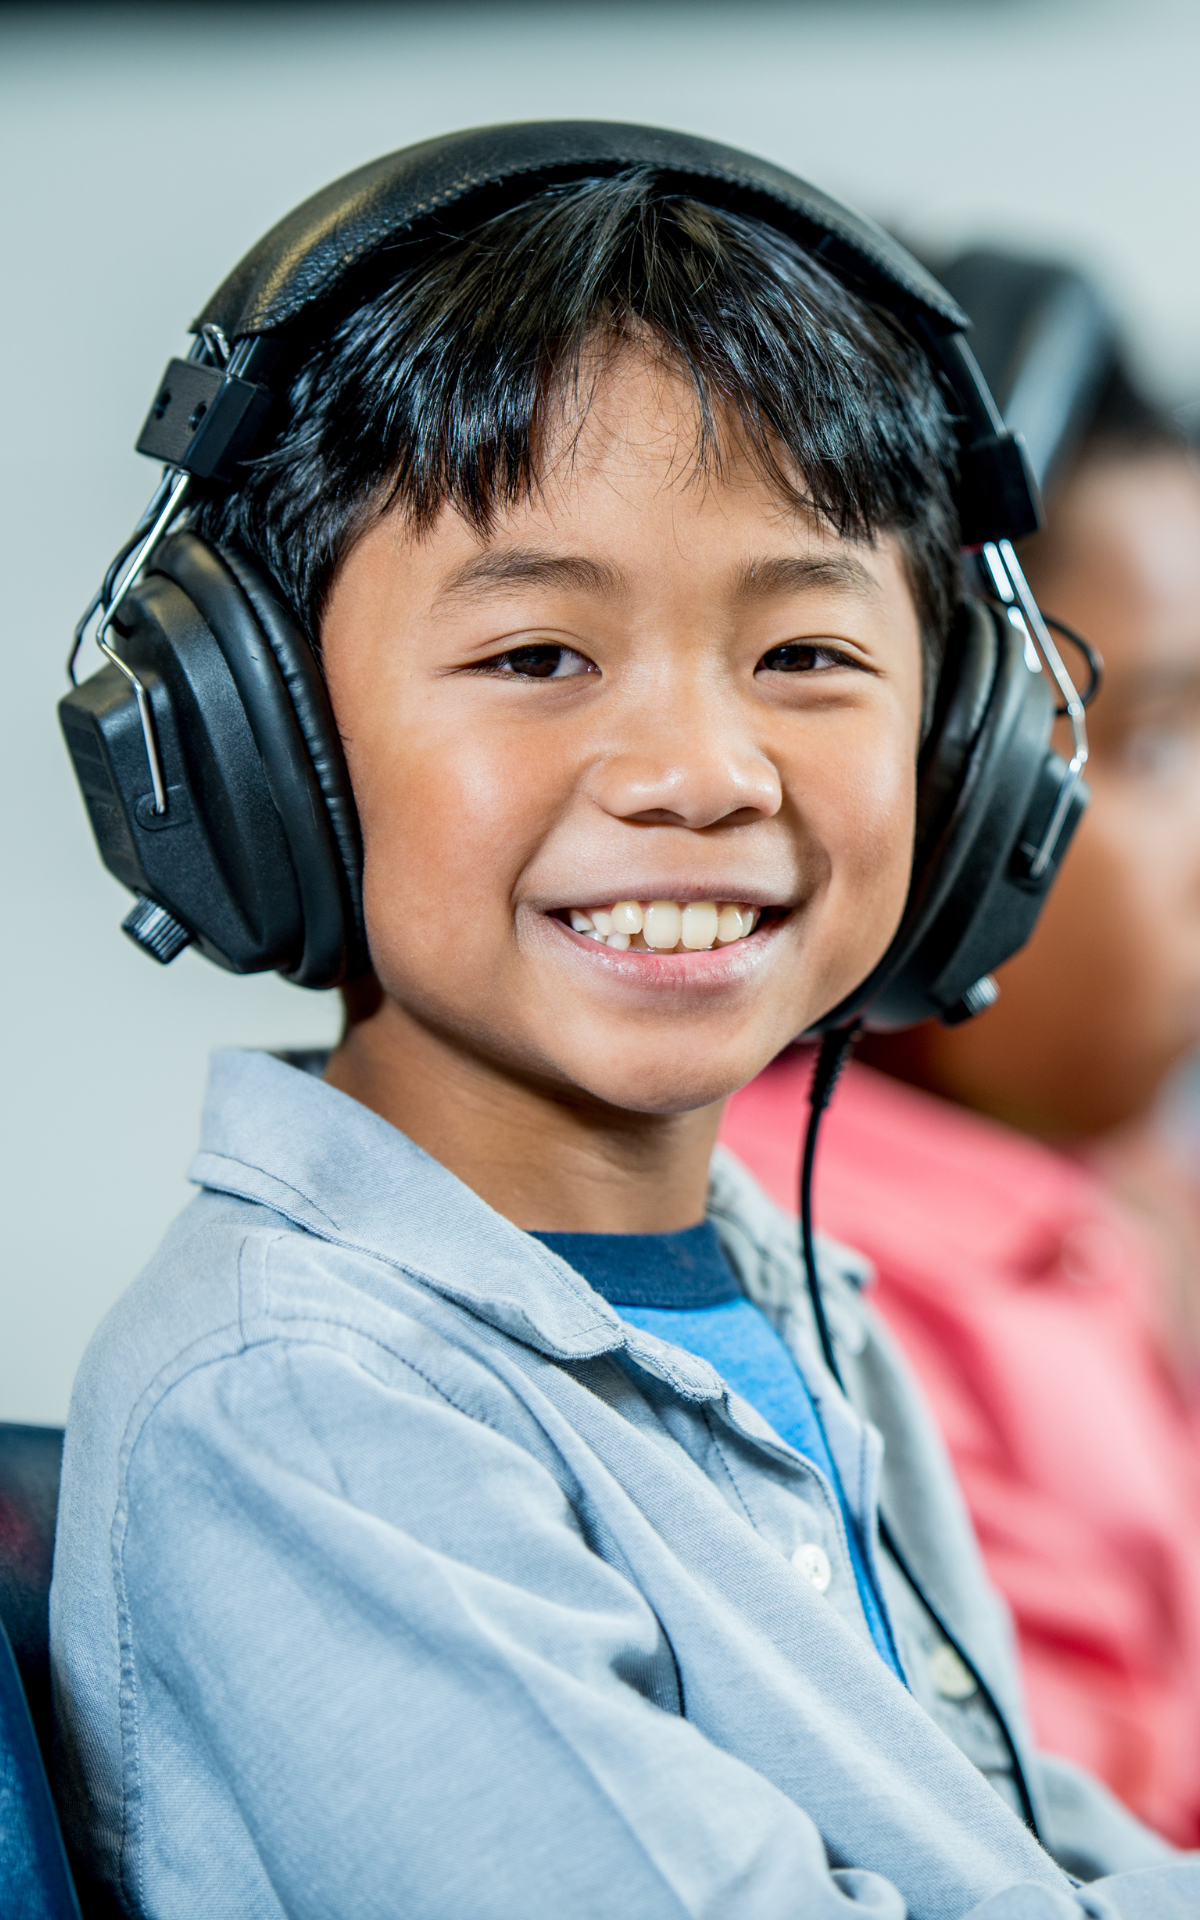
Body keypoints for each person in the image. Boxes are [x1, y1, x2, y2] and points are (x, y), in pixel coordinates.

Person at [49, 132, 1198, 1918]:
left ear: (961, 754)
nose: (700, 773)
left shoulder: (794, 1305)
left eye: (807, 656)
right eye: (537, 658)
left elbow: (1024, 1854)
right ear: (255, 739)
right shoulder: (306, 1403)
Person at [721, 251, 1200, 1846]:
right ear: (943, 788)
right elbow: (1055, 1836)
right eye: (1153, 742)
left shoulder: (1109, 1196)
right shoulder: (815, 1270)